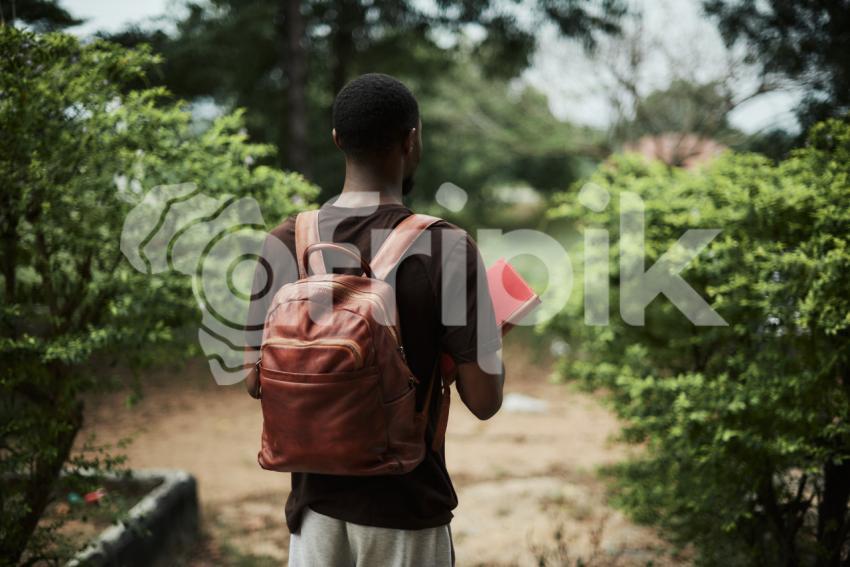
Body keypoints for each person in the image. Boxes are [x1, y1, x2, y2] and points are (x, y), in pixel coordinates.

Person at [243, 73, 504, 567]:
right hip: (407, 511)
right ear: (412, 140)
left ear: (337, 139)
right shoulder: (445, 246)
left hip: (314, 514)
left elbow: (255, 379)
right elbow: (485, 400)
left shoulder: (285, 241)